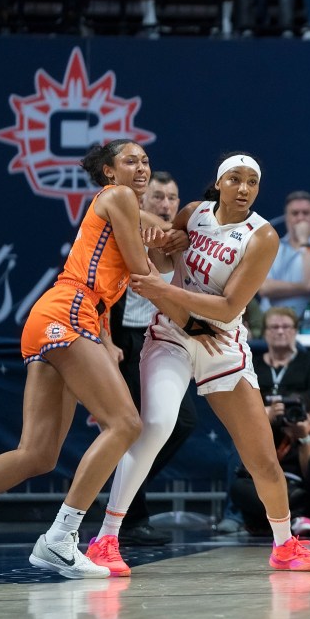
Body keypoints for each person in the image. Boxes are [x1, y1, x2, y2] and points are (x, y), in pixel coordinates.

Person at [0, 140, 177, 577]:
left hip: (62, 315)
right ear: (109, 171)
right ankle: (60, 537)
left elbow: (149, 247)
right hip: (68, 313)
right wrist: (185, 271)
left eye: (146, 161)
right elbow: (145, 271)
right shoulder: (118, 196)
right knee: (125, 424)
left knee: (37, 454)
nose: (141, 167)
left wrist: (170, 236)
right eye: (130, 161)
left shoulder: (123, 205)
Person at [86, 152, 310, 577]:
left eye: (252, 181)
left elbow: (230, 304)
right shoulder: (193, 214)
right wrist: (161, 248)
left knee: (262, 458)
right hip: (174, 335)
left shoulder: (262, 235)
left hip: (221, 341)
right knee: (156, 425)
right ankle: (106, 538)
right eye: (235, 179)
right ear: (218, 184)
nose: (245, 188)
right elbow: (161, 261)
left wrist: (164, 291)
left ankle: (286, 543)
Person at [108, 170, 198, 546]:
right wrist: (106, 342)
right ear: (142, 201)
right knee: (130, 429)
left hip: (163, 336)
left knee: (182, 422)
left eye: (172, 198)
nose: (166, 204)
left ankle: (126, 491)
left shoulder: (180, 238)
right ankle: (128, 519)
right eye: (158, 196)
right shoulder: (126, 225)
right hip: (123, 339)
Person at [231, 306, 310, 538]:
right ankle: (296, 511)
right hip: (265, 434)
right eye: (274, 327)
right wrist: (264, 414)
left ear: (296, 331)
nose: (280, 332)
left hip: (305, 431)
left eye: (286, 327)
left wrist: (300, 412)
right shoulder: (253, 365)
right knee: (240, 485)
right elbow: (239, 396)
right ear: (265, 333)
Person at [260, 190, 310, 311]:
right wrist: (306, 287)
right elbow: (264, 288)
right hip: (273, 321)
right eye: (295, 213)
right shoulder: (272, 246)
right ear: (286, 217)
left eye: (306, 213)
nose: (300, 218)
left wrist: (304, 241)